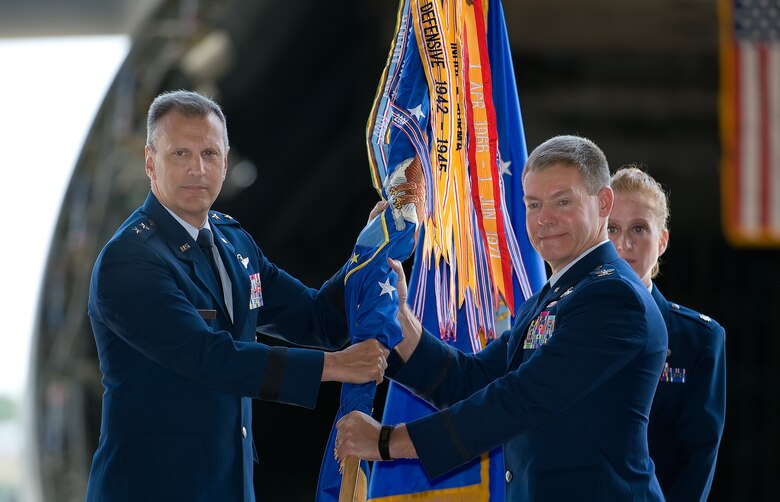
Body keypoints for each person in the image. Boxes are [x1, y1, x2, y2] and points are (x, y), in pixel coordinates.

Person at [85, 89, 389, 502]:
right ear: (149, 162)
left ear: (226, 162)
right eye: (180, 154)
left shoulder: (234, 243)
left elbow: (316, 318)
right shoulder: (129, 261)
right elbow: (210, 358)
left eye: (209, 154)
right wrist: (335, 367)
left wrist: (369, 254)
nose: (197, 168)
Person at [335, 135, 669, 501]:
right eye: (533, 204)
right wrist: (399, 317)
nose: (545, 219)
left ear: (604, 203)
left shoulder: (614, 297)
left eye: (563, 201)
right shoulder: (552, 298)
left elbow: (521, 399)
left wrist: (388, 441)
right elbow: (471, 380)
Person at [608, 165, 726, 501]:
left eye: (640, 229)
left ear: (662, 241)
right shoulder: (564, 323)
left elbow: (697, 460)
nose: (624, 243)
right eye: (612, 228)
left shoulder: (699, 340)